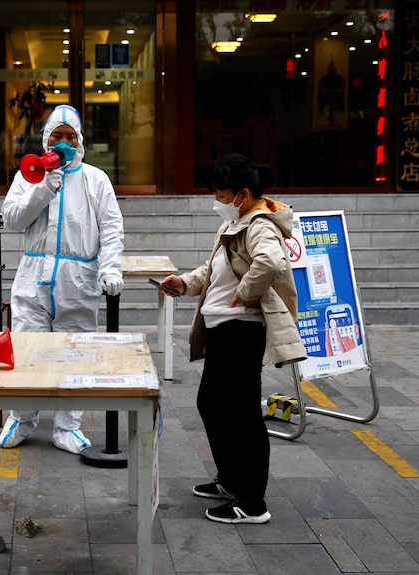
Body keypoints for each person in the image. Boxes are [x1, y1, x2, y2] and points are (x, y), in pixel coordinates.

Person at [157, 153, 306, 524]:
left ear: (242, 193)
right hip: (224, 331)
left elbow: (271, 263)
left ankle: (252, 503)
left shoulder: (259, 225)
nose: (217, 202)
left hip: (242, 331)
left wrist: (248, 292)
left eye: (221, 195)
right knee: (212, 404)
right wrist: (186, 283)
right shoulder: (236, 222)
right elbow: (215, 270)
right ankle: (230, 479)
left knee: (241, 416)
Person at [0, 104, 125, 454]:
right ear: (46, 139)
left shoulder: (95, 179)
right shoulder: (29, 174)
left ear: (80, 141)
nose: (64, 143)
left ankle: (67, 426)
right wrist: (43, 187)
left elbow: (111, 228)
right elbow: (12, 219)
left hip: (78, 278)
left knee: (77, 354)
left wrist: (110, 267)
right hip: (33, 277)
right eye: (58, 136)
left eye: (71, 137)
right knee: (26, 349)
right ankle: (22, 418)